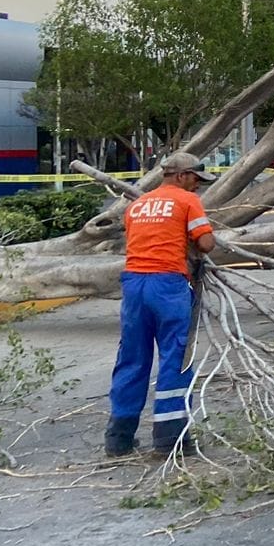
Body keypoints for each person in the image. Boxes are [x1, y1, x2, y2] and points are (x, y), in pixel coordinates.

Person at [105, 152, 217, 458]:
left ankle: (119, 437)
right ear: (180, 176)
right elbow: (206, 243)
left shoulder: (137, 205)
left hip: (133, 283)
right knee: (175, 356)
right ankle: (170, 438)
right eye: (196, 178)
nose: (197, 186)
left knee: (132, 356)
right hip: (167, 284)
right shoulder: (185, 200)